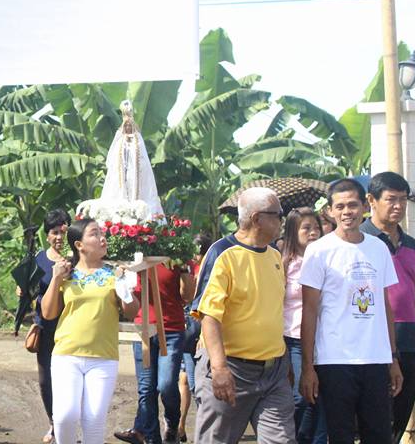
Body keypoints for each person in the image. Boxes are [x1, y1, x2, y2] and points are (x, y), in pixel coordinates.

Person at [299, 178, 402, 443]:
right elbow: (309, 311)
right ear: (330, 211)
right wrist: (308, 367)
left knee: (379, 435)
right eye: (340, 206)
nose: (347, 212)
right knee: (340, 435)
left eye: (353, 205)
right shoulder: (318, 251)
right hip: (335, 361)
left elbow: (385, 307)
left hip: (375, 359)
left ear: (364, 206)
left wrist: (392, 358)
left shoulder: (378, 248)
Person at [191, 187, 295, 444]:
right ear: (257, 218)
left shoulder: (274, 255)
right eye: (278, 214)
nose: (282, 220)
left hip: (273, 372)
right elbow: (209, 315)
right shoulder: (222, 253)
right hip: (231, 369)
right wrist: (219, 367)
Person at [41, 219, 140, 444]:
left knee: (94, 421)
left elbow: (132, 311)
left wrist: (125, 287)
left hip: (103, 359)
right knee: (65, 417)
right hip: (67, 356)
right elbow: (48, 313)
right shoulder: (65, 274)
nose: (102, 238)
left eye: (102, 233)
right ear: (79, 245)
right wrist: (55, 279)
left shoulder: (114, 274)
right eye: (94, 234)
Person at [359, 171, 415, 443]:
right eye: (391, 199)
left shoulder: (411, 244)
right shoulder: (359, 240)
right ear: (372, 200)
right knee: (372, 420)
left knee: (400, 416)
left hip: (409, 341)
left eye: (403, 200)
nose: (398, 206)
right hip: (373, 342)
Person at [114, 256, 195, 444]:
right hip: (143, 330)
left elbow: (188, 296)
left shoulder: (174, 256)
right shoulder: (134, 258)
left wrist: (182, 268)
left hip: (172, 330)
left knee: (166, 385)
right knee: (146, 388)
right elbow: (127, 304)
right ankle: (150, 437)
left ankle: (172, 424)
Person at [281, 208, 326, 444]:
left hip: (325, 338)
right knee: (302, 395)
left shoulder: (326, 259)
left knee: (321, 397)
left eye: (316, 227)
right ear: (292, 232)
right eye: (306, 228)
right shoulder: (284, 263)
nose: (312, 233)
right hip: (294, 337)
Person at [34, 209, 71, 444]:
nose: (59, 237)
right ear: (47, 235)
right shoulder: (39, 260)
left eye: (63, 232)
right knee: (46, 378)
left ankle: (66, 424)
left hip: (70, 327)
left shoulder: (76, 259)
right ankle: (53, 422)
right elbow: (30, 289)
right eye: (54, 232)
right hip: (46, 327)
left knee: (68, 378)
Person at [176, 234, 211, 444]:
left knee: (194, 382)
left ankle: (199, 429)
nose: (195, 255)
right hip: (190, 329)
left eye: (197, 250)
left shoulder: (206, 268)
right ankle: (183, 425)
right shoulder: (191, 268)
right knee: (188, 380)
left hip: (196, 328)